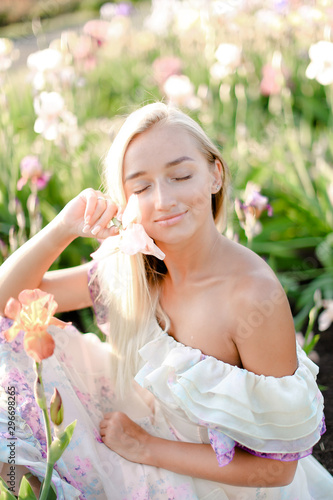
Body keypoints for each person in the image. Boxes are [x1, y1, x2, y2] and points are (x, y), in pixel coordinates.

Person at [0, 102, 332, 500]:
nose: (163, 200)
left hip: (215, 479)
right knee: (12, 346)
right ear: (124, 200)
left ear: (215, 174)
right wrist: (63, 228)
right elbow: (7, 301)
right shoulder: (134, 270)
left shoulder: (252, 297)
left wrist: (145, 447)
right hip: (134, 422)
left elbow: (275, 470)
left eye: (180, 175)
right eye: (141, 187)